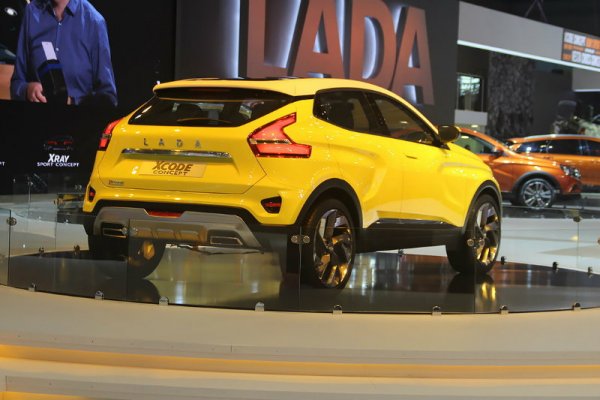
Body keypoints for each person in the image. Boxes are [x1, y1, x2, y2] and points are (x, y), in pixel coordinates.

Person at [10, 0, 117, 106]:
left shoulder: (94, 22)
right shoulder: (32, 12)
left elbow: (108, 98)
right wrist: (27, 90)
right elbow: (16, 83)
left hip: (77, 116)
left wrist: (71, 102)